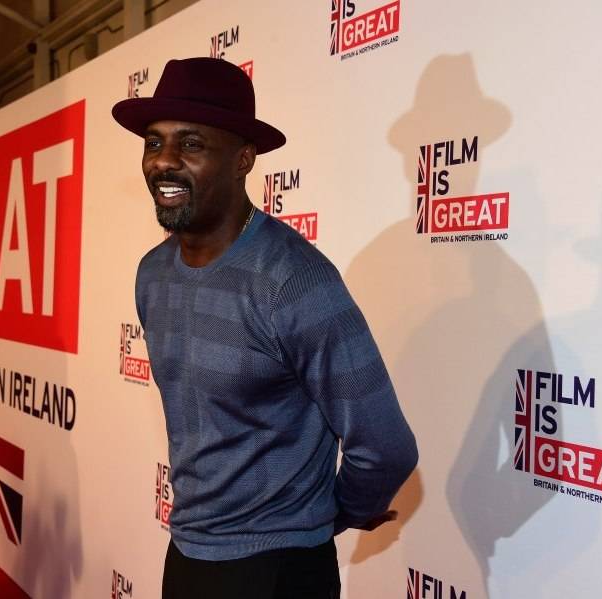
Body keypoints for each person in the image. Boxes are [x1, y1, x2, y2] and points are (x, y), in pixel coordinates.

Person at [112, 57, 418, 599]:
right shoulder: (152, 274)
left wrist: (323, 515)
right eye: (154, 143)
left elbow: (384, 444)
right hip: (187, 553)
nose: (164, 161)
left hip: (280, 569)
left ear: (243, 159)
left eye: (191, 144)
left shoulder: (294, 280)